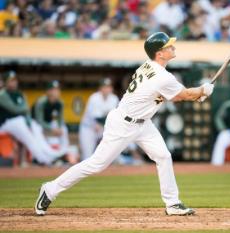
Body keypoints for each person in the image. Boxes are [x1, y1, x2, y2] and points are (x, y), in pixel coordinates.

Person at [35, 32, 214, 216]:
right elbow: (184, 95)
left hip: (143, 124)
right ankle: (50, 189)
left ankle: (173, 203)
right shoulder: (162, 76)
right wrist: (202, 91)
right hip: (123, 123)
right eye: (168, 46)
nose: (173, 47)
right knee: (96, 164)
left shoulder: (149, 67)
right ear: (159, 53)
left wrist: (196, 95)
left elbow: (175, 96)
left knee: (163, 156)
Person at [0, 71, 65, 165]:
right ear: (5, 82)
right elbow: (15, 109)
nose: (13, 83)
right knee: (26, 132)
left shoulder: (20, 94)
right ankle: (44, 159)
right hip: (5, 123)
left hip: (19, 121)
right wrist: (23, 109)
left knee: (35, 127)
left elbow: (26, 110)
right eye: (10, 81)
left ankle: (50, 156)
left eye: (14, 80)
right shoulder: (2, 94)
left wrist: (26, 116)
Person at [79, 78, 119, 160]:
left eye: (108, 87)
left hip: (103, 128)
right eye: (104, 87)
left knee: (113, 150)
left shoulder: (114, 99)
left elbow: (114, 117)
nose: (106, 89)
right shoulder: (94, 98)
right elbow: (98, 119)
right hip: (89, 128)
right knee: (87, 156)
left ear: (111, 88)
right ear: (100, 88)